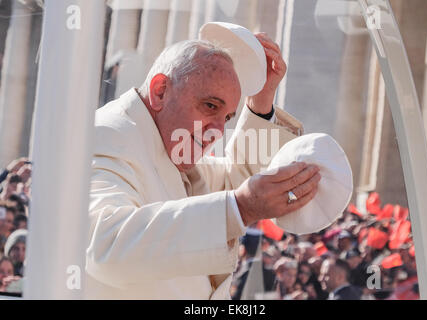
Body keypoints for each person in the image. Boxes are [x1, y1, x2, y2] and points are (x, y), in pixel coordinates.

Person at [85, 33, 321, 299]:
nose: (219, 131)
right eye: (210, 106)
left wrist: (261, 100)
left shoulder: (168, 145)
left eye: (227, 117)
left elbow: (238, 182)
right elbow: (107, 246)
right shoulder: (108, 135)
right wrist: (241, 207)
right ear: (160, 91)